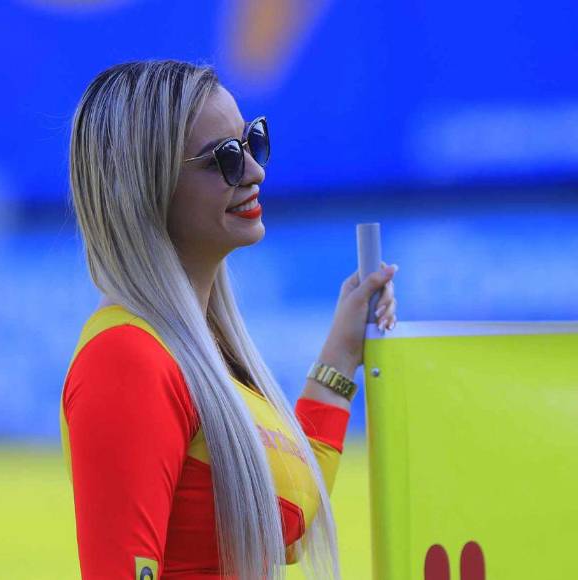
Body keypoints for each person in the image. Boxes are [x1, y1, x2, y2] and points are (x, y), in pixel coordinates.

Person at [60, 60, 398, 580]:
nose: (257, 172)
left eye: (253, 142)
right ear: (146, 184)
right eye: (225, 158)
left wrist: (340, 356)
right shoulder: (126, 358)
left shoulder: (202, 350)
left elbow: (288, 523)